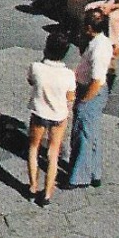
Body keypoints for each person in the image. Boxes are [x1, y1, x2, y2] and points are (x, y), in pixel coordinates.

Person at [27, 33, 76, 207]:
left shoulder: (36, 67)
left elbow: (31, 81)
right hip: (58, 116)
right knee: (53, 153)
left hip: (39, 113)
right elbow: (70, 97)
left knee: (34, 148)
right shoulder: (69, 75)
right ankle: (47, 193)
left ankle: (32, 186)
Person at [67, 9, 112, 189]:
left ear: (89, 27)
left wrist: (84, 101)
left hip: (91, 92)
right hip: (89, 88)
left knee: (83, 133)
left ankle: (79, 177)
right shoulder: (99, 42)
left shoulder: (99, 49)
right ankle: (94, 172)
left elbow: (97, 81)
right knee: (91, 132)